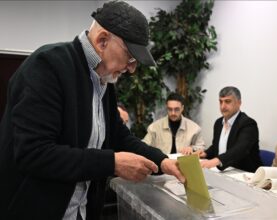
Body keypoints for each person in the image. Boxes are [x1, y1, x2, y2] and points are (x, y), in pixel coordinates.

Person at [0, 1, 185, 220]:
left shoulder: (103, 81)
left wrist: (162, 161)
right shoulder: (47, 66)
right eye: (130, 56)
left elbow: (118, 136)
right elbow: (34, 153)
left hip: (81, 211)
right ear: (102, 40)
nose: (132, 68)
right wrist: (112, 163)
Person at [197, 86, 262, 172]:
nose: (223, 106)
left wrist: (216, 161)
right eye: (221, 102)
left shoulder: (248, 124)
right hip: (223, 171)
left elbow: (240, 149)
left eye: (227, 102)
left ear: (239, 103)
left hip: (244, 174)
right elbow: (217, 146)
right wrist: (205, 153)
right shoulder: (218, 123)